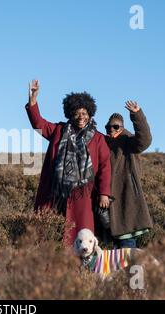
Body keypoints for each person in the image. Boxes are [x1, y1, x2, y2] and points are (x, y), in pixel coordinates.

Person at [25, 79, 111, 244]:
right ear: (70, 114)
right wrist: (33, 100)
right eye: (77, 113)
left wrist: (104, 193)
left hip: (83, 197)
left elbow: (105, 167)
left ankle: (80, 268)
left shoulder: (98, 138)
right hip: (56, 194)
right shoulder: (58, 130)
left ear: (90, 115)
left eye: (84, 113)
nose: (81, 117)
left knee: (82, 238)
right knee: (51, 235)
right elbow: (38, 123)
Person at [105, 101, 153, 248]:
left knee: (127, 252)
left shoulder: (129, 141)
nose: (111, 129)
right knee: (109, 255)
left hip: (127, 201)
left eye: (116, 126)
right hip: (106, 204)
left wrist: (137, 114)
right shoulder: (104, 143)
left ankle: (129, 271)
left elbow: (145, 139)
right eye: (108, 127)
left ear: (122, 127)